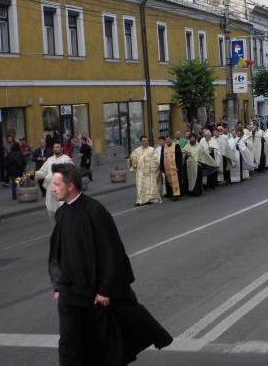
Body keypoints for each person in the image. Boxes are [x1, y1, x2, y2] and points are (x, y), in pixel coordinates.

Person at [47, 164, 172, 365]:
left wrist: (105, 289)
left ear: (70, 186)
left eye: (56, 184)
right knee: (69, 344)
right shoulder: (62, 213)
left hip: (93, 295)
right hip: (70, 294)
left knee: (102, 345)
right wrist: (58, 285)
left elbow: (111, 251)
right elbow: (57, 253)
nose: (53, 188)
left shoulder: (94, 210)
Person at [35, 142, 74, 220]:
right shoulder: (49, 160)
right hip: (51, 191)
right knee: (52, 215)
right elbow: (42, 172)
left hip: (63, 191)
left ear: (62, 148)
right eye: (54, 147)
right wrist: (33, 174)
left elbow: (71, 173)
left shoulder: (66, 159)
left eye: (57, 147)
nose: (55, 149)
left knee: (63, 214)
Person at [129, 136, 162, 206]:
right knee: (140, 186)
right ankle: (140, 200)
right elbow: (132, 159)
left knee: (150, 186)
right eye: (144, 141)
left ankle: (151, 199)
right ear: (141, 142)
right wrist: (134, 165)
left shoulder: (152, 150)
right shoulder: (137, 150)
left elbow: (155, 160)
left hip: (150, 171)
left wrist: (152, 167)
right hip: (140, 172)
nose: (146, 142)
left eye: (147, 141)